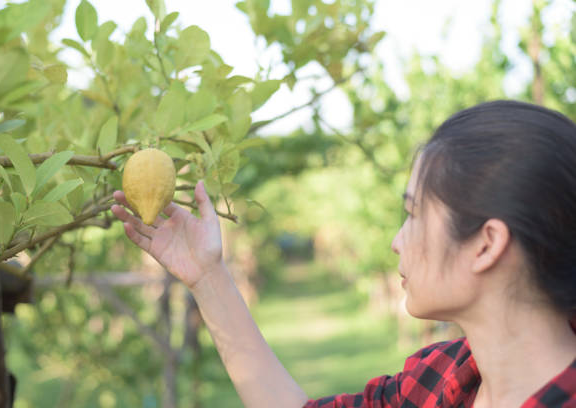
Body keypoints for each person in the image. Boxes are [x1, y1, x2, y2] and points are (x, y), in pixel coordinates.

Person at [111, 100, 576, 408]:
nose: (396, 240)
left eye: (413, 214)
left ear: (486, 244)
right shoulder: (443, 379)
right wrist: (207, 276)